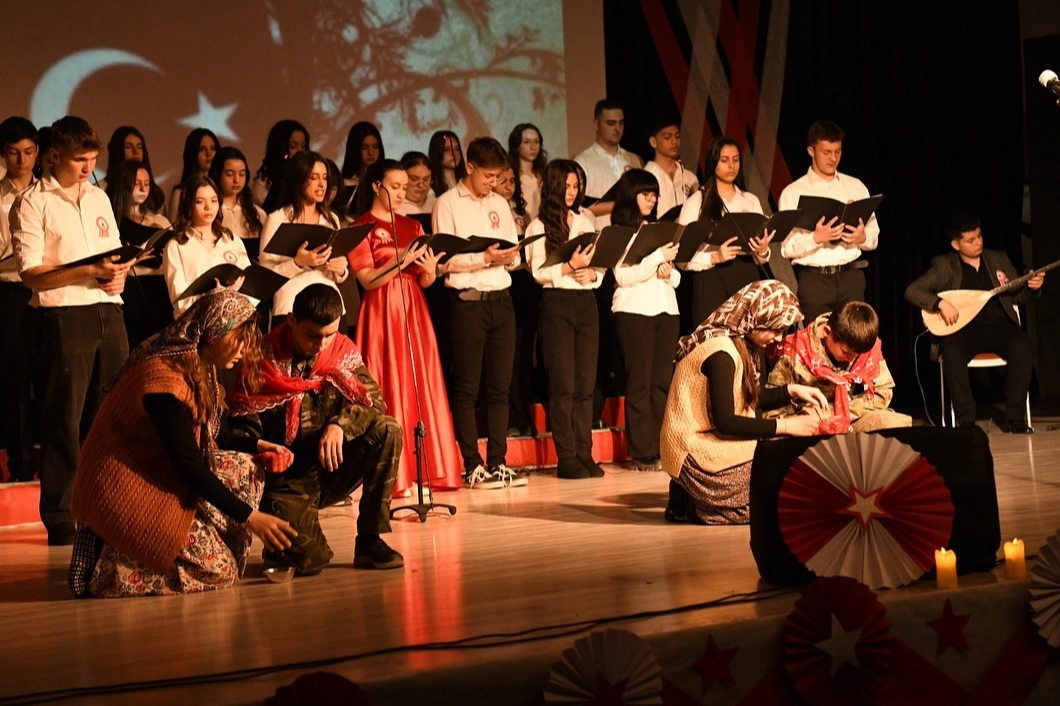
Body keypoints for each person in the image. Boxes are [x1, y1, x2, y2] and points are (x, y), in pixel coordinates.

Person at [67, 292, 297, 597]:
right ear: (214, 332)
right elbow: (189, 465)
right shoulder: (166, 381)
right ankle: (105, 563)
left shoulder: (199, 363)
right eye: (239, 339)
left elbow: (207, 434)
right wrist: (250, 517)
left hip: (157, 470)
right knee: (220, 571)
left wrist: (258, 444)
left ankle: (156, 549)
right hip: (125, 484)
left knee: (247, 468)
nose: (244, 351)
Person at [11, 116, 133, 545]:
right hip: (63, 316)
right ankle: (61, 513)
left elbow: (112, 254)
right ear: (54, 156)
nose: (87, 167)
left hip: (108, 312)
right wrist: (88, 271)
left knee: (110, 416)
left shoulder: (98, 197)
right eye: (80, 159)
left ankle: (106, 503)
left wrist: (117, 275)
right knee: (63, 417)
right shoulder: (31, 203)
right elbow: (32, 273)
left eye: (92, 159)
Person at [228, 284, 404, 574]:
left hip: (331, 465)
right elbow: (241, 432)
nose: (322, 345)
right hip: (288, 479)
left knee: (387, 429)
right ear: (292, 320)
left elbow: (375, 403)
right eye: (312, 335)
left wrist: (340, 425)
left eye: (329, 335)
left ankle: (370, 540)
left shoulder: (341, 352)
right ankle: (283, 541)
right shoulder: (259, 360)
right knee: (312, 562)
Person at [660, 280, 825, 525]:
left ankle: (691, 500)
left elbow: (742, 396)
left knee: (782, 461)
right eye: (774, 328)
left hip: (710, 441)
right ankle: (702, 506)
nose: (778, 337)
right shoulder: (721, 354)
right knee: (777, 486)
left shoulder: (738, 343)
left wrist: (790, 391)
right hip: (692, 454)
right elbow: (726, 422)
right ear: (755, 318)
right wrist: (788, 425)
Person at [346, 159, 462, 496]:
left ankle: (424, 468)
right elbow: (367, 280)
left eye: (404, 187)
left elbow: (425, 280)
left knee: (417, 381)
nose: (401, 192)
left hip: (413, 308)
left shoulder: (413, 225)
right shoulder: (361, 227)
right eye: (394, 186)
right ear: (376, 187)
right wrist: (403, 257)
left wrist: (428, 269)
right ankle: (391, 474)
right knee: (388, 383)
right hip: (381, 311)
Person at [432, 136, 526, 489]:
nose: (493, 183)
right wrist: (484, 258)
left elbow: (511, 250)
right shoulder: (447, 203)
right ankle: (472, 464)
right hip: (467, 303)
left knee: (500, 388)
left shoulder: (499, 203)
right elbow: (444, 261)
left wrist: (510, 256)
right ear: (469, 167)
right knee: (468, 387)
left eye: (497, 177)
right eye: (488, 176)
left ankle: (499, 461)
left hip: (501, 299)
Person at [905, 215, 1044, 432]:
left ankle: (1015, 417)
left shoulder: (998, 259)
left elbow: (1018, 296)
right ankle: (966, 421)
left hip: (1000, 326)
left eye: (979, 237)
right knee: (952, 352)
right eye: (971, 240)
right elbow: (913, 291)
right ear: (955, 244)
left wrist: (1032, 288)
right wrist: (939, 303)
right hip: (963, 328)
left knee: (1023, 346)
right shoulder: (944, 265)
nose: (978, 243)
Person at [526, 159, 603, 478]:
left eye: (576, 186)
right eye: (567, 186)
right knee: (564, 384)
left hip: (586, 301)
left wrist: (593, 275)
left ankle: (585, 452)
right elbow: (538, 273)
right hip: (557, 303)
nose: (572, 192)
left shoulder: (585, 219)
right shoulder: (538, 226)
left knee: (586, 383)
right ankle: (567, 455)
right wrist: (570, 268)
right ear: (554, 188)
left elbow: (601, 263)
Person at [677, 136, 795, 328]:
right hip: (711, 279)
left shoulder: (749, 200)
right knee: (716, 344)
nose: (731, 166)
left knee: (747, 344)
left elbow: (761, 257)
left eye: (736, 159)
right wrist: (715, 257)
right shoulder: (697, 202)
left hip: (745, 275)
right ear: (713, 162)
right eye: (724, 160)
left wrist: (762, 249)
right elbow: (681, 258)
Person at [610, 169, 681, 471]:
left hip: (666, 309)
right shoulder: (618, 233)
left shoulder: (659, 231)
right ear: (631, 196)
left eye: (654, 195)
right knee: (639, 382)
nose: (651, 200)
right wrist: (654, 261)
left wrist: (668, 271)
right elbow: (623, 277)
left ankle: (662, 446)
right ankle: (641, 451)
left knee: (662, 382)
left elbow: (676, 277)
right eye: (645, 194)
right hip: (634, 311)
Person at [778, 120, 879, 319]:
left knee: (855, 340)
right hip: (814, 281)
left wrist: (861, 237)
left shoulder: (855, 186)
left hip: (851, 276)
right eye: (826, 152)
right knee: (817, 343)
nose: (833, 158)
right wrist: (815, 237)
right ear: (811, 151)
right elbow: (786, 248)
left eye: (838, 151)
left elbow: (874, 235)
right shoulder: (793, 192)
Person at [764, 301, 911, 433]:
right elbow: (773, 410)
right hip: (809, 426)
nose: (853, 359)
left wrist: (832, 414)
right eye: (846, 353)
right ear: (827, 332)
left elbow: (882, 393)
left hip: (850, 419)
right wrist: (807, 418)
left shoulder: (864, 348)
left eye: (858, 355)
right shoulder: (795, 353)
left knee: (894, 424)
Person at [259, 150, 350, 327]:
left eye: (324, 177)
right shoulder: (277, 219)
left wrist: (341, 270)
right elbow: (265, 278)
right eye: (314, 177)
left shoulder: (331, 219)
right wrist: (297, 263)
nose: (322, 184)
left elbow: (338, 272)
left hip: (332, 307)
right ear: (299, 179)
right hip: (291, 308)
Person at [0, 117, 38, 482]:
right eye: (14, 153)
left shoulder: (45, 192)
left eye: (28, 152)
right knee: (16, 381)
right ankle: (21, 464)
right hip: (11, 290)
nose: (21, 160)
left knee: (52, 379)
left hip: (48, 287)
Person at [162, 175, 254, 318]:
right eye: (200, 201)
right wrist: (215, 298)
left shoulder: (231, 240)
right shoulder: (176, 246)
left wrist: (233, 298)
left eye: (214, 200)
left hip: (235, 321)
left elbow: (250, 288)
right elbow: (180, 302)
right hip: (197, 325)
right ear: (189, 205)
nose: (208, 207)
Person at [106, 159, 173, 346]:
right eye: (137, 184)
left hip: (158, 290)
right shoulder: (112, 221)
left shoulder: (159, 220)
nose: (143, 189)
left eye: (147, 183)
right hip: (130, 290)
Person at [573, 99, 643, 224]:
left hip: (634, 233)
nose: (617, 129)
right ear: (596, 124)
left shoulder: (634, 159)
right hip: (601, 234)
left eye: (621, 123)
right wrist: (619, 205)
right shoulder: (583, 162)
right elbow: (578, 207)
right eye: (611, 123)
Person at [209, 146, 266, 259]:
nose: (237, 180)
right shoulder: (209, 212)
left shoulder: (258, 214)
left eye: (241, 174)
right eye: (230, 174)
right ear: (217, 174)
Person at [643, 118, 698, 219]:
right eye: (667, 137)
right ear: (653, 141)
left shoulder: (689, 178)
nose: (674, 142)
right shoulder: (645, 178)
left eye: (677, 137)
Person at [101, 126, 165, 210]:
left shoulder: (154, 193)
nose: (136, 152)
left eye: (139, 147)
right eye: (128, 147)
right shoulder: (101, 189)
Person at [253, 120, 309, 211]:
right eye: (293, 146)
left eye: (303, 146)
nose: (300, 151)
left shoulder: (309, 176)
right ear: (280, 149)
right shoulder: (264, 183)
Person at [167, 128, 220, 221]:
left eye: (213, 148)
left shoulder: (221, 189)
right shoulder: (181, 193)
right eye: (202, 149)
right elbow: (175, 228)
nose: (209, 154)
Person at [340, 121, 384, 214]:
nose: (371, 153)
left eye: (375, 147)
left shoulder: (385, 180)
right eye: (364, 147)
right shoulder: (344, 184)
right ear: (354, 149)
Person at [508, 123, 546, 222]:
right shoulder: (510, 179)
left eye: (536, 142)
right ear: (516, 145)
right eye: (526, 142)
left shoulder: (544, 177)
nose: (533, 147)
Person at [428, 130, 466, 199]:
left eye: (457, 148)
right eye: (446, 149)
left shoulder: (466, 181)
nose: (454, 153)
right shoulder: (431, 188)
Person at [396, 151, 435, 216]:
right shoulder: (394, 208)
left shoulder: (438, 205)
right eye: (414, 179)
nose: (421, 185)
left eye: (426, 179)